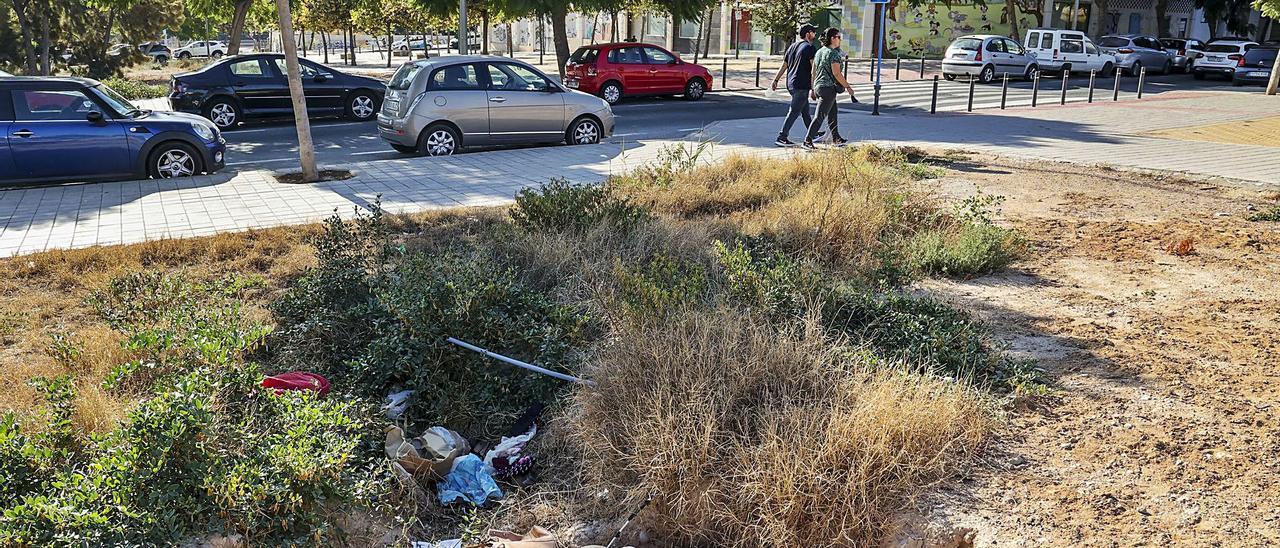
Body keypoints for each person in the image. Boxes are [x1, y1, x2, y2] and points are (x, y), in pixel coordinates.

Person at [803, 27, 856, 150]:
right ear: (832, 38)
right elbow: (836, 73)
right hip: (828, 88)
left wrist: (813, 88)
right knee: (820, 116)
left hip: (819, 86)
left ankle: (836, 138)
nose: (839, 40)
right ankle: (807, 140)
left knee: (832, 113)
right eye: (838, 37)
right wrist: (848, 87)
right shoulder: (833, 54)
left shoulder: (820, 52)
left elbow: (813, 72)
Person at [771, 24, 821, 147]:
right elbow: (813, 70)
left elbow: (784, 65)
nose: (815, 34)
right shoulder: (810, 48)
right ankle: (782, 137)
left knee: (805, 111)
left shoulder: (792, 46)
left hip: (791, 84)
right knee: (794, 111)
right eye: (814, 32)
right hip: (802, 85)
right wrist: (814, 88)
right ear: (808, 34)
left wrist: (776, 80)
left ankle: (813, 133)